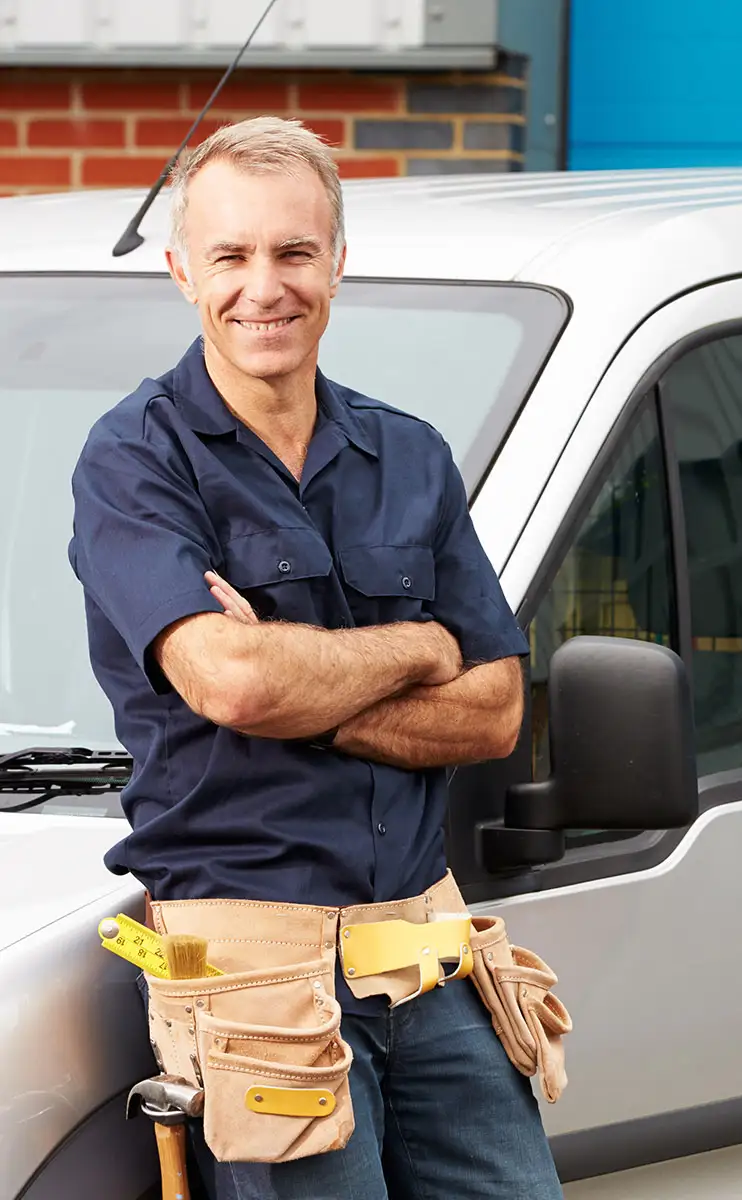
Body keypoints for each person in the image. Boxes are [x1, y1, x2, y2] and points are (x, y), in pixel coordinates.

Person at [68, 115, 564, 1200]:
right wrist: (418, 647)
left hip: (425, 957)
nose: (265, 287)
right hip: (252, 975)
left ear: (337, 261)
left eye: (293, 253)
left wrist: (303, 685)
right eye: (231, 256)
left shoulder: (409, 455)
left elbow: (489, 713)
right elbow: (230, 682)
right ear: (181, 272)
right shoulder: (133, 458)